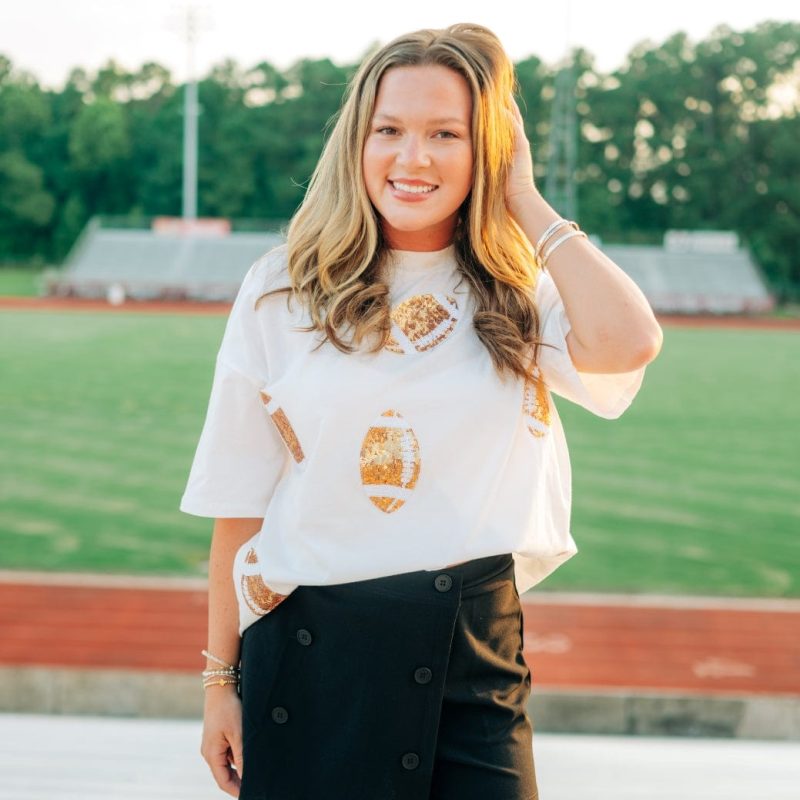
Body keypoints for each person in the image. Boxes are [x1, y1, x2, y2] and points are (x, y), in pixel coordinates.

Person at [180, 22, 662, 800]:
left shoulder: (515, 296)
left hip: (472, 665)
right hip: (310, 659)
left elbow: (630, 341)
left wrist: (526, 200)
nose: (413, 158)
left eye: (447, 133)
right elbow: (238, 504)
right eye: (390, 131)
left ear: (487, 152)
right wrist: (216, 684)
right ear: (357, 143)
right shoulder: (281, 290)